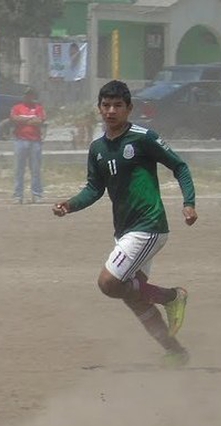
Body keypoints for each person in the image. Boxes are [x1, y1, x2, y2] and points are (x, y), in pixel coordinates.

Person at [52, 80, 196, 367]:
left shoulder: (143, 138)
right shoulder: (97, 148)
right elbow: (94, 189)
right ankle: (175, 352)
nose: (111, 110)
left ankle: (171, 296)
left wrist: (189, 202)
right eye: (106, 105)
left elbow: (179, 166)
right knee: (131, 295)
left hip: (149, 225)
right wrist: (69, 205)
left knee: (108, 282)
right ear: (99, 109)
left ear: (129, 109)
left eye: (118, 105)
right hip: (126, 231)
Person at [10, 87, 46, 204]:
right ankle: (18, 195)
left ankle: (36, 194)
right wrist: (30, 119)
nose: (28, 97)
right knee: (19, 169)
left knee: (35, 169)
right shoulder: (17, 107)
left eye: (30, 95)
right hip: (20, 141)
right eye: (26, 95)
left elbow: (40, 120)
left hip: (35, 141)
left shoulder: (38, 108)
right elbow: (14, 118)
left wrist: (23, 120)